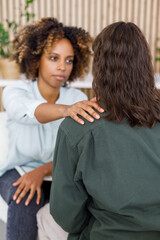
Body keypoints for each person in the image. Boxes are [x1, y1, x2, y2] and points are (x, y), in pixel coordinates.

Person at [48, 21, 160, 240]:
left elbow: (67, 216)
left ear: (98, 67)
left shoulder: (77, 125)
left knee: (42, 219)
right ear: (145, 64)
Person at [0, 17, 104, 240]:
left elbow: (79, 153)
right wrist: (66, 110)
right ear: (36, 59)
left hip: (60, 174)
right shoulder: (15, 91)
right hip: (18, 170)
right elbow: (25, 111)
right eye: (54, 58)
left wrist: (42, 171)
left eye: (69, 60)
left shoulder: (75, 98)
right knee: (24, 197)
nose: (62, 67)